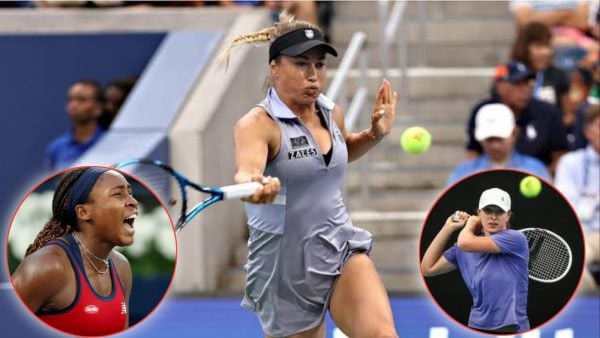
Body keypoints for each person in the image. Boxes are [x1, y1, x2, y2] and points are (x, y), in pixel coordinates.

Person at [221, 10, 399, 338]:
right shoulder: (257, 124)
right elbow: (247, 172)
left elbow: (335, 155)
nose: (313, 75)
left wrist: (374, 134)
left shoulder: (332, 113)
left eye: (319, 64)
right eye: (301, 64)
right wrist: (255, 185)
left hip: (338, 245)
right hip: (283, 270)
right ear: (274, 68)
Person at [11, 167, 137, 336]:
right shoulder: (47, 267)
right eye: (118, 194)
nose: (133, 201)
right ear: (84, 212)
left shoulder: (122, 267)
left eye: (130, 192)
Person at [421, 188, 530, 334]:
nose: (493, 217)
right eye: (488, 211)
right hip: (476, 325)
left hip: (512, 326)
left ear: (508, 215)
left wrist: (471, 224)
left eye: (499, 211)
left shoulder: (515, 239)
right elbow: (427, 269)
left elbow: (465, 243)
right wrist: (448, 228)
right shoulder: (461, 248)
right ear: (479, 213)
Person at [466, 61, 569, 172]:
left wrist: (543, 178)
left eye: (527, 83)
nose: (525, 90)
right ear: (500, 86)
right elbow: (472, 152)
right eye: (517, 84)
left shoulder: (548, 112)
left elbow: (560, 156)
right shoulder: (484, 111)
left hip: (536, 177)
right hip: (489, 175)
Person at [554, 103, 600, 291]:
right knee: (568, 263)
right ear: (588, 132)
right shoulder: (570, 163)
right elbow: (567, 209)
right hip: (583, 235)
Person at [448, 103, 549, 186]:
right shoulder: (463, 172)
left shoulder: (535, 169)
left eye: (500, 139)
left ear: (514, 134)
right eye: (489, 139)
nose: (494, 146)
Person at [510, 22, 570, 117]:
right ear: (524, 47)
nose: (546, 52)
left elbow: (568, 115)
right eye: (538, 46)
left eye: (548, 46)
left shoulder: (558, 75)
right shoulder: (510, 74)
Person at [45, 80, 106, 172]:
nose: (73, 105)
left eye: (82, 100)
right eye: (70, 100)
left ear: (98, 108)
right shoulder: (56, 147)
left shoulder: (109, 142)